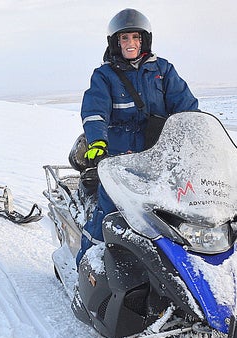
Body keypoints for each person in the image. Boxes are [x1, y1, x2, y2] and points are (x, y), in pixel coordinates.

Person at [75, 8, 199, 265]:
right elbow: (95, 111)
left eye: (135, 37)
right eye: (124, 38)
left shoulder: (163, 70)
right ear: (115, 42)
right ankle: (89, 264)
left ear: (144, 40)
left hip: (159, 156)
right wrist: (97, 142)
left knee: (174, 212)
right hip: (120, 159)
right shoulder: (105, 76)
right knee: (110, 212)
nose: (130, 43)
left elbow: (186, 107)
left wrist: (198, 137)